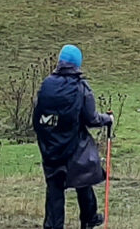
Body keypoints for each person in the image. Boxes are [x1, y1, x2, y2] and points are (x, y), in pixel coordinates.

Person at [33, 44, 113, 229]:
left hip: (50, 146)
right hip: (73, 146)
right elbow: (92, 119)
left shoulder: (46, 85)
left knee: (55, 187)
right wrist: (107, 119)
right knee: (83, 173)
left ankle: (53, 225)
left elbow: (38, 115)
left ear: (60, 61)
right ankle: (89, 218)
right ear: (77, 63)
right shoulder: (81, 87)